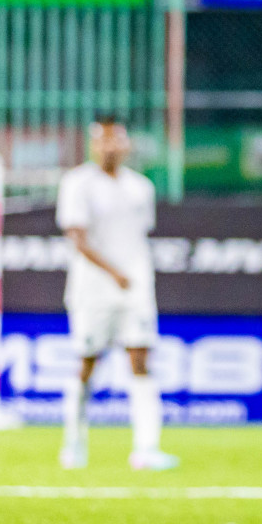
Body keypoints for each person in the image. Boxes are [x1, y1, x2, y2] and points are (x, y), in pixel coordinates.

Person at [56, 117, 176, 471]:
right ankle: (74, 443)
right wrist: (114, 273)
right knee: (87, 362)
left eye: (116, 139)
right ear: (93, 145)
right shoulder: (77, 183)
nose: (110, 146)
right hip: (92, 290)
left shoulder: (141, 187)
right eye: (103, 140)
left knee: (140, 360)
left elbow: (138, 236)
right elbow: (77, 239)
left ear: (126, 145)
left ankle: (146, 448)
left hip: (135, 290)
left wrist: (131, 277)